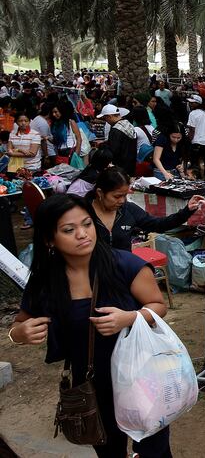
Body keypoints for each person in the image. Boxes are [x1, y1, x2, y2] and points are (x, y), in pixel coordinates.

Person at [7, 194, 173, 457]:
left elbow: (158, 306)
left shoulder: (125, 265)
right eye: (69, 230)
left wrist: (128, 318)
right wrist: (20, 334)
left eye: (87, 224)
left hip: (141, 377)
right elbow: (19, 324)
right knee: (107, 448)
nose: (83, 234)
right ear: (50, 239)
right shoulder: (46, 281)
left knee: (154, 449)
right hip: (91, 383)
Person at [89, 167, 201, 251]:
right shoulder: (84, 213)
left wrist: (187, 211)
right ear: (100, 193)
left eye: (125, 195)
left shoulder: (129, 210)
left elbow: (159, 224)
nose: (122, 201)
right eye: (117, 196)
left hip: (122, 273)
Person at [98, 103, 137, 176]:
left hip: (120, 168)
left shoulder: (115, 130)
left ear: (109, 116)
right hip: (131, 165)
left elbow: (113, 151)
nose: (106, 121)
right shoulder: (128, 124)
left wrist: (102, 145)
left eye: (105, 118)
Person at [186, 95, 205, 179]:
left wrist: (188, 140)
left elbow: (192, 130)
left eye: (192, 103)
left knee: (194, 163)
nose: (190, 104)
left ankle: (195, 179)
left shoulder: (193, 113)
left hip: (197, 141)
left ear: (197, 103)